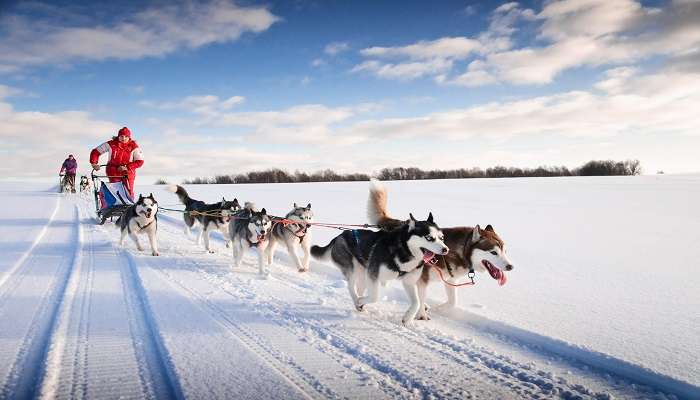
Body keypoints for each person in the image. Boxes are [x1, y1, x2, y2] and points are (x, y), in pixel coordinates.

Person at [89, 127, 144, 198]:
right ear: (118, 136)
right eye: (121, 136)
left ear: (129, 137)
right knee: (116, 192)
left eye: (126, 136)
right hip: (113, 172)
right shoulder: (111, 144)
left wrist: (127, 167)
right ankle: (115, 208)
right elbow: (95, 152)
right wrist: (94, 163)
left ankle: (129, 207)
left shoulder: (134, 147)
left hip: (128, 172)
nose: (123, 138)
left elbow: (140, 161)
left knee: (128, 192)